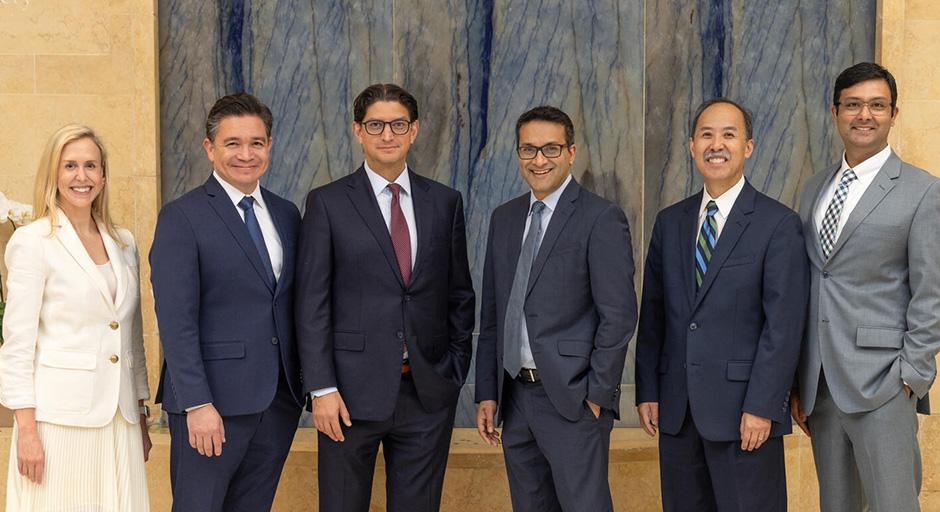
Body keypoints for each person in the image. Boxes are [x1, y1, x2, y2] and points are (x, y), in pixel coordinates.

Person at [296, 83, 475, 512]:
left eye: (398, 124)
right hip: (346, 398)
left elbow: (459, 294)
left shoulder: (444, 202)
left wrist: (452, 370)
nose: (387, 135)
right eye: (375, 124)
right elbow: (311, 303)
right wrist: (321, 388)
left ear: (414, 131)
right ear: (358, 131)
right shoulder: (327, 203)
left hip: (427, 393)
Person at [790, 62, 940, 512]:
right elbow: (812, 282)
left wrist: (911, 375)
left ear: (893, 113)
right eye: (853, 105)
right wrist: (799, 379)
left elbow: (936, 294)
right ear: (835, 112)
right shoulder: (813, 189)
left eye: (877, 105)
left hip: (885, 383)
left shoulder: (925, 192)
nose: (865, 115)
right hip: (821, 388)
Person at [635, 98, 809, 511]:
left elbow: (782, 328)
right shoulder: (670, 222)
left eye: (729, 135)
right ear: (692, 145)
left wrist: (762, 406)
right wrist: (648, 389)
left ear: (747, 147)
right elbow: (654, 315)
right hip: (678, 412)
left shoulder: (777, 224)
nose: (717, 144)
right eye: (707, 135)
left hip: (744, 416)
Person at [474, 105, 637, 511]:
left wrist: (596, 396)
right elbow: (493, 314)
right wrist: (487, 393)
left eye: (550, 148)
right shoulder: (505, 218)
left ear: (571, 152)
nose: (539, 159)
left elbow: (618, 316)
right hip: (514, 398)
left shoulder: (600, 218)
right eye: (528, 150)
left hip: (573, 399)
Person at [149, 92, 303, 511]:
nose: (246, 154)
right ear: (210, 148)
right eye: (232, 143)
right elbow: (176, 321)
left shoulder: (287, 214)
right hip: (211, 407)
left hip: (276, 403)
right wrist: (198, 404)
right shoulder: (182, 217)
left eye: (256, 142)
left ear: (269, 146)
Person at [0, 124, 153, 511]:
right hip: (58, 422)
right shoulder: (33, 242)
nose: (82, 177)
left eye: (91, 166)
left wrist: (140, 412)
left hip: (120, 420)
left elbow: (130, 337)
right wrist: (26, 430)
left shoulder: (123, 241)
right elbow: (18, 344)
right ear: (53, 174)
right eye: (70, 166)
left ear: (103, 175)